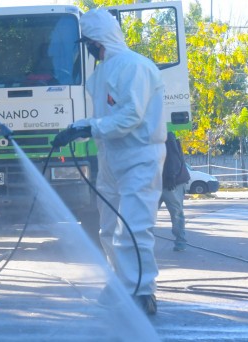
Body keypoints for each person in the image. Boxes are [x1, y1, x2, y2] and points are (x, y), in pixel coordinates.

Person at [52, 8, 166, 315]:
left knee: (133, 227)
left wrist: (91, 128)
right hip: (111, 156)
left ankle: (142, 291)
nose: (90, 49)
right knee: (109, 227)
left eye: (91, 43)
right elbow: (105, 116)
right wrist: (78, 128)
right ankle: (120, 284)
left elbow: (130, 116)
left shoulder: (135, 66)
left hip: (139, 155)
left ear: (101, 40)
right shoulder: (102, 73)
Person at [160, 132, 190, 252]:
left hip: (171, 182)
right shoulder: (157, 133)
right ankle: (180, 241)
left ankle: (180, 242)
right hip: (161, 182)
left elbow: (173, 158)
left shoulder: (167, 135)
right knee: (177, 213)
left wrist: (171, 176)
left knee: (176, 213)